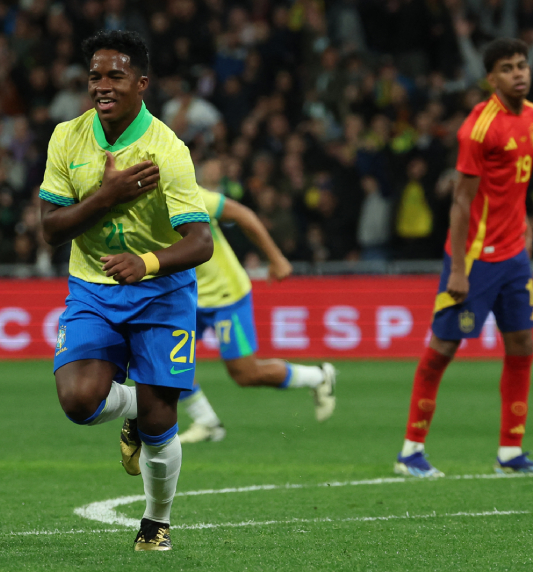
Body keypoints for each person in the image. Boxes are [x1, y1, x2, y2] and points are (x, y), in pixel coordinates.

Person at [38, 31, 212, 552]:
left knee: (163, 423)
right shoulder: (67, 138)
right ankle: (138, 406)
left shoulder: (167, 149)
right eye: (94, 76)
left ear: (141, 83)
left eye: (115, 75)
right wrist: (107, 195)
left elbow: (200, 242)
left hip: (161, 292)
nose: (101, 86)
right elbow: (50, 227)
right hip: (93, 286)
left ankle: (155, 524)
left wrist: (148, 262)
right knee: (77, 401)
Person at [394, 39, 533, 478]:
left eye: (522, 65)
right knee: (444, 348)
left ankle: (511, 453)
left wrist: (523, 223)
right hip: (474, 259)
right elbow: (461, 203)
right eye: (507, 68)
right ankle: (410, 451)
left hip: (514, 256)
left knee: (522, 344)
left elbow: (511, 185)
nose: (519, 74)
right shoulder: (478, 129)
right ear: (492, 78)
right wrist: (461, 270)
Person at [176, 187, 336, 444]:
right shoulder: (134, 210)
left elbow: (242, 214)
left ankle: (318, 376)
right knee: (168, 359)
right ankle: (206, 422)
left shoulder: (187, 194)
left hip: (224, 295)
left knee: (245, 374)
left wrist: (275, 258)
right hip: (183, 298)